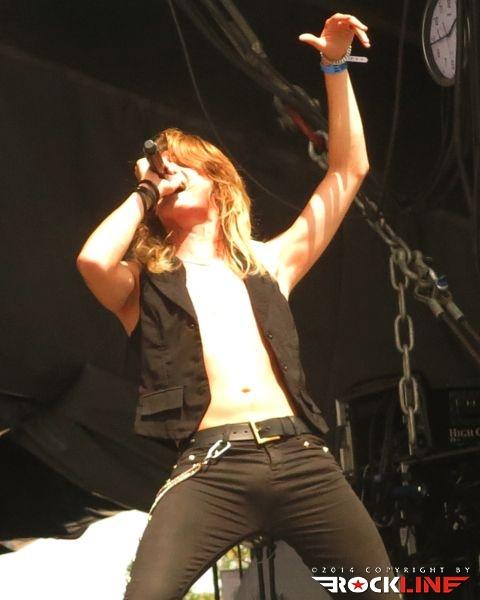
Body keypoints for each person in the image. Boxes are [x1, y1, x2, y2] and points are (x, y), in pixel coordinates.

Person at [77, 13, 400, 600]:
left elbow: (348, 170)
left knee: (377, 592)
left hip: (299, 457)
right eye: (159, 170)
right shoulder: (145, 283)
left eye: (181, 166)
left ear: (217, 182)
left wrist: (335, 67)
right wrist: (146, 189)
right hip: (211, 466)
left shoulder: (268, 263)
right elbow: (93, 261)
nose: (168, 175)